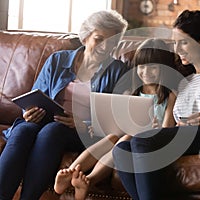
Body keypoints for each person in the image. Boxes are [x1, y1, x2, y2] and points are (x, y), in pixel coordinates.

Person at [112, 10, 200, 200]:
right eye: (175, 44)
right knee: (121, 151)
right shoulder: (184, 82)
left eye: (183, 42)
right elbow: (172, 128)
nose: (177, 49)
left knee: (142, 141)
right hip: (186, 138)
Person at [0, 10, 128, 200]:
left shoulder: (117, 71)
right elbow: (35, 97)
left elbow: (114, 122)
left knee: (53, 130)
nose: (104, 47)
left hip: (82, 131)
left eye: (111, 42)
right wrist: (29, 112)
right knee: (23, 130)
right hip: (44, 121)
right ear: (85, 37)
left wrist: (82, 123)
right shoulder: (58, 60)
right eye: (99, 39)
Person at [53, 38, 177, 200]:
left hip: (150, 141)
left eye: (152, 67)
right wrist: (101, 126)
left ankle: (89, 180)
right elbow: (117, 122)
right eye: (141, 67)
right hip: (126, 137)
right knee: (113, 136)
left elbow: (168, 129)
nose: (145, 72)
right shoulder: (131, 92)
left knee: (126, 137)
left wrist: (156, 128)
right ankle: (73, 173)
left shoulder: (170, 95)